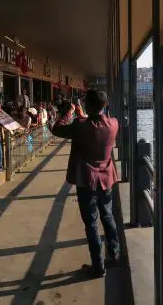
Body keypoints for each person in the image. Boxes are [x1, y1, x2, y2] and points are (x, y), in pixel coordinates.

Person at [50, 90, 121, 277]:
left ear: (88, 105)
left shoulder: (79, 126)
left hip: (86, 180)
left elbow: (56, 128)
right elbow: (95, 125)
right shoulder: (114, 124)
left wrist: (70, 112)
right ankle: (114, 255)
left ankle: (98, 266)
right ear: (104, 106)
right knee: (108, 216)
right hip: (106, 178)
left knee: (91, 223)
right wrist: (84, 115)